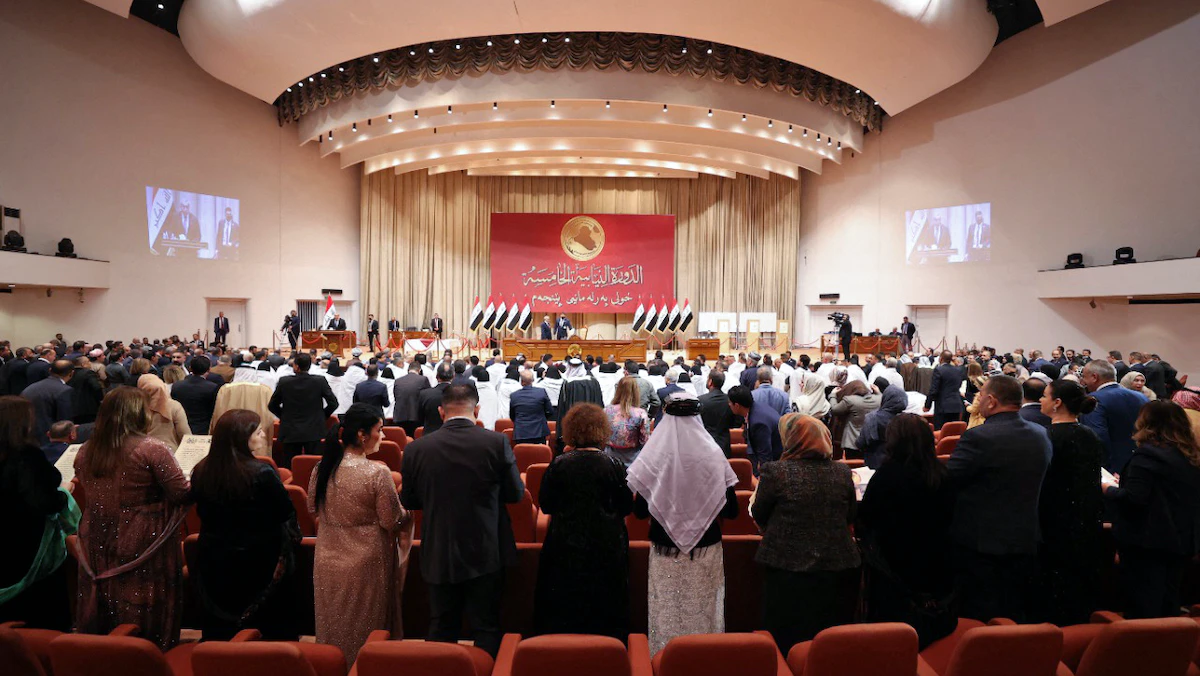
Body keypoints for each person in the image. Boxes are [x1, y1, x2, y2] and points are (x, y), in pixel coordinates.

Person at [401, 384, 524, 656]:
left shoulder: (417, 448)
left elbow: (409, 500)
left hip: (439, 546)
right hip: (485, 547)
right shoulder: (496, 442)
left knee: (441, 625)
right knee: (486, 626)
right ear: (476, 410)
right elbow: (516, 494)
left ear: (441, 412)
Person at [73, 387, 190, 649]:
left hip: (97, 532)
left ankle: (104, 653)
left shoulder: (87, 450)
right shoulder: (152, 449)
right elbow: (181, 493)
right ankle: (143, 654)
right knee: (142, 598)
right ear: (138, 414)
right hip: (143, 534)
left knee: (106, 595)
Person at [627, 392, 738, 655]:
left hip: (664, 547)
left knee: (667, 610)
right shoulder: (713, 454)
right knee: (704, 609)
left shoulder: (654, 455)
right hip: (707, 547)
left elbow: (639, 512)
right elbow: (732, 511)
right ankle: (705, 660)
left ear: (665, 416)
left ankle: (664, 661)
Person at [308, 403, 408, 665]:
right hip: (366, 561)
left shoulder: (322, 468)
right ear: (363, 435)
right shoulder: (377, 472)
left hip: (327, 558)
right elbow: (391, 520)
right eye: (380, 430)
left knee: (332, 627)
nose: (383, 436)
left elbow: (312, 509)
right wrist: (407, 514)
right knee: (366, 631)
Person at [946, 375, 1051, 623]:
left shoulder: (979, 437)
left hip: (982, 542)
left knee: (980, 613)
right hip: (1025, 537)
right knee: (1014, 609)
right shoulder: (1041, 433)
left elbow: (949, 480)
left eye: (981, 395)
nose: (978, 399)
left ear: (992, 401)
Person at [752, 413, 860, 653]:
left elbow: (759, 513)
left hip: (786, 566)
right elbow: (850, 515)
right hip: (836, 565)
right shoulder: (842, 472)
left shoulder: (775, 471)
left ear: (791, 439)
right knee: (829, 639)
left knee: (786, 636)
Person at [190, 410, 300, 640]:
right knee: (266, 632)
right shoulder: (262, 472)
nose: (264, 435)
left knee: (223, 633)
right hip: (259, 560)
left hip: (214, 559)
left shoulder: (201, 470)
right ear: (242, 438)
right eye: (258, 432)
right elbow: (284, 511)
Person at [857, 413, 955, 648]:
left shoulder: (887, 476)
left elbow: (865, 519)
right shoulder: (943, 475)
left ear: (893, 442)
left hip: (894, 570)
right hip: (935, 566)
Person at [534, 403, 632, 638]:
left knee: (566, 605)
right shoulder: (614, 465)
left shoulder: (559, 464)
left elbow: (546, 505)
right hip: (607, 544)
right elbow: (626, 506)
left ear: (571, 431)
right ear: (602, 431)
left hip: (565, 543)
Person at [1104, 401, 1200, 618]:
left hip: (1147, 542)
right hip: (1181, 540)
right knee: (1168, 601)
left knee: (1143, 605)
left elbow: (1134, 499)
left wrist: (1108, 489)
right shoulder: (1190, 455)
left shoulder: (1147, 456)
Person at [0, 396, 74, 631]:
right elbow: (43, 501)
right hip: (27, 549)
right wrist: (64, 495)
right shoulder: (26, 457)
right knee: (38, 622)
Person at [1035, 380, 1105, 625]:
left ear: (1057, 403)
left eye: (1044, 396)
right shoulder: (1089, 434)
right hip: (1085, 517)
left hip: (1053, 517)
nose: (1040, 400)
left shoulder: (1047, 437)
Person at [268, 353, 338, 467]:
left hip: (290, 429)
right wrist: (321, 416)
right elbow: (333, 403)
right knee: (313, 466)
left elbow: (272, 405)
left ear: (296, 366)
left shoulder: (284, 381)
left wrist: (284, 417)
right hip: (314, 428)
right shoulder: (319, 381)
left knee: (290, 466)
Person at [1080, 360, 1148, 473]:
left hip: (1111, 469)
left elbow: (1096, 436)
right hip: (1141, 463)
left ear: (1094, 377)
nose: (1083, 381)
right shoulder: (1142, 397)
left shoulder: (1094, 399)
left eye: (1084, 377)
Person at [729, 385, 782, 473]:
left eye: (730, 402)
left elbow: (765, 456)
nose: (729, 405)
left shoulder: (758, 423)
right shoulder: (757, 408)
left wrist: (763, 477)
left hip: (778, 462)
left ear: (737, 405)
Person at [22, 359, 75, 443]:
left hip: (27, 433)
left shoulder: (31, 387)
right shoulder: (64, 390)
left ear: (50, 370)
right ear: (71, 373)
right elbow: (64, 418)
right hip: (51, 436)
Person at [857, 385, 908, 469]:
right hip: (901, 467)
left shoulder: (872, 418)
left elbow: (861, 443)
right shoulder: (908, 420)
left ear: (885, 398)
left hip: (875, 466)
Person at [604, 376, 651, 467]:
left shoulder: (607, 410)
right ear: (636, 392)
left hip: (609, 457)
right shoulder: (640, 414)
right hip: (632, 459)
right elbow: (645, 440)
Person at [827, 380, 881, 459]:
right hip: (871, 440)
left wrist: (833, 395)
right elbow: (884, 399)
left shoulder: (850, 400)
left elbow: (835, 409)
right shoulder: (878, 399)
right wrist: (878, 392)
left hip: (852, 441)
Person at [137, 374, 191, 450]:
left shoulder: (136, 408)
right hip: (171, 452)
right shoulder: (174, 406)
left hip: (144, 452)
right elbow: (185, 435)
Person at [170, 355, 220, 435]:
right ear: (209, 369)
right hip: (203, 428)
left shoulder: (177, 385)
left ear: (190, 368)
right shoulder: (213, 387)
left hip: (180, 427)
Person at [510, 369, 554, 445]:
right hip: (539, 431)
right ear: (533, 380)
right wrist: (541, 417)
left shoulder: (514, 396)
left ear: (521, 382)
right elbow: (550, 411)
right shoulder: (541, 392)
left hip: (521, 432)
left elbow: (512, 416)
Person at [924, 350, 965, 429]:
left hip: (943, 406)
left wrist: (927, 405)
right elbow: (958, 385)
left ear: (941, 358)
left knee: (941, 431)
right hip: (956, 405)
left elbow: (934, 390)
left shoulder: (939, 370)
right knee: (953, 431)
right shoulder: (958, 370)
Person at [699, 371, 735, 456]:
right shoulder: (730, 400)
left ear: (710, 382)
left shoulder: (700, 400)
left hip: (705, 444)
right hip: (724, 445)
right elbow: (735, 423)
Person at [416, 363, 454, 435]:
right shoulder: (461, 394)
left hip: (430, 435)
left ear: (437, 376)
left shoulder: (424, 394)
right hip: (453, 435)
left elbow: (419, 418)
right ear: (453, 376)